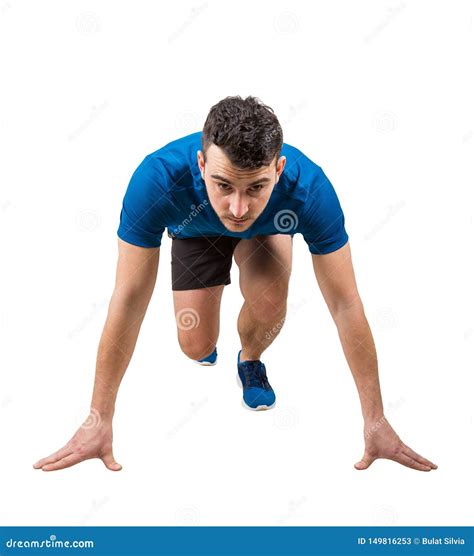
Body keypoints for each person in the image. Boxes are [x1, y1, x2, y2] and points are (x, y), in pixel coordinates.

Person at [33, 96, 437, 473]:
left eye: (256, 187)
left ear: (278, 170)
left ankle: (250, 359)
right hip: (194, 227)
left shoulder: (308, 189)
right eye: (224, 185)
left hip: (269, 230)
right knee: (195, 344)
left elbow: (346, 305)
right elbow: (129, 300)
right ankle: (208, 343)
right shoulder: (157, 180)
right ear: (201, 163)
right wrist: (98, 419)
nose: (239, 208)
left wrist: (375, 419)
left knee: (270, 304)